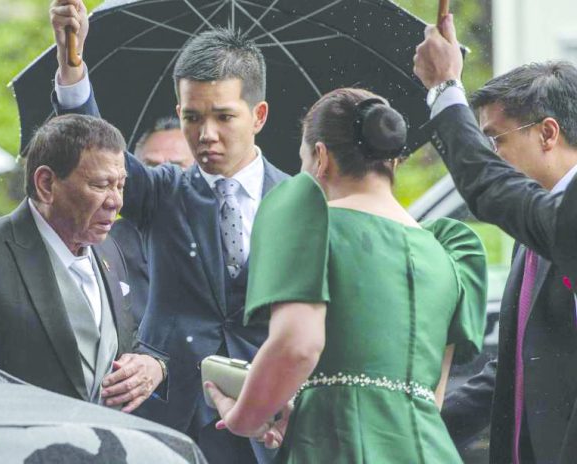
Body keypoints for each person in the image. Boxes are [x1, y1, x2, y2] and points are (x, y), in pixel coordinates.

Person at [50, 2, 289, 462]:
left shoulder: (300, 201)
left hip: (265, 420)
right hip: (169, 415)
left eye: (224, 117)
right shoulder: (163, 191)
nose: (206, 135)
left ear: (258, 115)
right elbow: (92, 144)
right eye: (193, 117)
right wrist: (71, 65)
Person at [206, 87, 487, 463]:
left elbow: (297, 345)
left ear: (320, 157)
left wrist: (244, 417)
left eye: (304, 159)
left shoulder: (307, 219)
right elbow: (430, 397)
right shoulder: (447, 250)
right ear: (394, 163)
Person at [414, 15, 577, 464]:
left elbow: (489, 188)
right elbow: (515, 372)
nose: (490, 159)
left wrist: (445, 88)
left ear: (547, 133)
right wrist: (412, 431)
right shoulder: (536, 236)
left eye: (495, 140)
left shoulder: (558, 224)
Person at [0, 114, 162, 407]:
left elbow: (120, 342)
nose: (116, 201)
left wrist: (152, 365)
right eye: (100, 185)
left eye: (120, 185)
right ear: (46, 183)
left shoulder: (109, 249)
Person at [111, 116, 193, 324]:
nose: (162, 176)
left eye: (176, 166)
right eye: (149, 166)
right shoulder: (105, 245)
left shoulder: (230, 243)